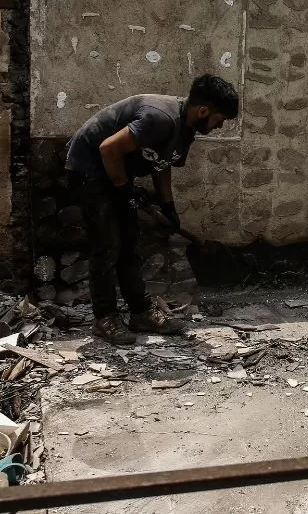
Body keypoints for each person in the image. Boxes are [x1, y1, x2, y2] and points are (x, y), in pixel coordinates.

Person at [64, 74, 240, 345]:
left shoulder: (186, 130)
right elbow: (108, 148)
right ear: (204, 111)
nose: (220, 126)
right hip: (89, 168)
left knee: (129, 242)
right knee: (107, 245)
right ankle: (105, 317)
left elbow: (161, 163)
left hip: (116, 173)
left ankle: (140, 312)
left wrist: (168, 206)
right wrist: (124, 189)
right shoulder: (160, 118)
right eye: (220, 119)